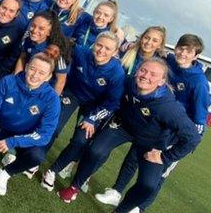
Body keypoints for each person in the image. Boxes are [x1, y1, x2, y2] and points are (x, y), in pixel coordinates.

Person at [57, 58, 201, 213]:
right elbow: (109, 97)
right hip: (123, 126)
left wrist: (165, 157)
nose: (146, 76)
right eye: (143, 70)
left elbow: (193, 137)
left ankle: (121, 210)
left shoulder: (169, 108)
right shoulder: (128, 82)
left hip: (151, 141)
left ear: (161, 81)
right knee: (95, 150)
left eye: (153, 74)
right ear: (137, 70)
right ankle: (74, 186)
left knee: (148, 185)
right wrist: (92, 116)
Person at [95, 34, 209, 211]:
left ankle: (139, 208)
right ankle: (116, 192)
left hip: (175, 133)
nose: (183, 53)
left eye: (189, 51)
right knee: (133, 156)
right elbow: (146, 52)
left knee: (159, 171)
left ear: (196, 56)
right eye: (181, 48)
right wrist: (127, 44)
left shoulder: (198, 82)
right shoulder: (168, 61)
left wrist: (184, 144)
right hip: (153, 123)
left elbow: (199, 118)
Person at [40, 32, 125, 192]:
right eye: (99, 45)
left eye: (108, 48)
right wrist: (60, 73)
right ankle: (35, 158)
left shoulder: (117, 73)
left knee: (80, 140)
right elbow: (62, 49)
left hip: (94, 106)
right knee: (53, 125)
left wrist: (92, 119)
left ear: (115, 52)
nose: (101, 50)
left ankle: (53, 171)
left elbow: (112, 102)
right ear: (95, 44)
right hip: (72, 93)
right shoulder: (81, 51)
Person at [0, 53, 61, 196]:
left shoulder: (52, 99)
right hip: (0, 127)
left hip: (24, 137)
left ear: (49, 77)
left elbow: (45, 135)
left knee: (37, 156)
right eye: (32, 69)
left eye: (42, 72)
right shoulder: (8, 81)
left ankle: (4, 173)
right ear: (26, 67)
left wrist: (13, 141)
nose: (35, 75)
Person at [14, 10, 72, 96]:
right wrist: (15, 81)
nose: (34, 30)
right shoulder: (27, 38)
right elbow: (22, 58)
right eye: (33, 26)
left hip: (44, 91)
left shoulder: (57, 50)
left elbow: (61, 80)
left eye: (41, 28)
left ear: (49, 32)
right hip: (27, 80)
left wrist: (51, 101)